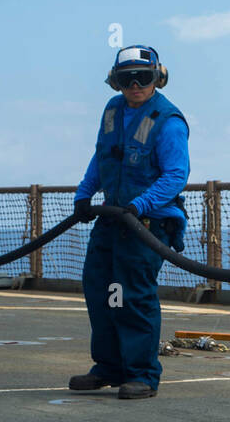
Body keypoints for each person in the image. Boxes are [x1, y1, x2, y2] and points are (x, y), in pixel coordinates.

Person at [68, 45, 190, 400]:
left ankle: (142, 375)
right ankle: (108, 367)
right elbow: (102, 155)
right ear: (115, 82)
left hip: (146, 224)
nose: (135, 85)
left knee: (133, 297)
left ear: (158, 78)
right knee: (101, 291)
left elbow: (176, 174)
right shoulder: (112, 111)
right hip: (111, 218)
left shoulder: (168, 121)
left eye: (143, 77)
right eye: (127, 79)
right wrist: (84, 193)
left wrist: (141, 204)